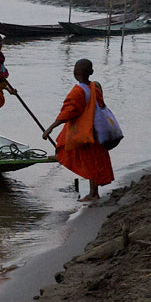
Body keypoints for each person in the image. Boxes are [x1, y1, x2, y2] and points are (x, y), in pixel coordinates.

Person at [43, 58, 115, 201]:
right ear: (91, 72)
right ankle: (93, 192)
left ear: (75, 74)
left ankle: (93, 194)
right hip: (98, 130)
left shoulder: (78, 91)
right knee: (94, 159)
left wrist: (50, 128)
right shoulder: (95, 88)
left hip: (86, 132)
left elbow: (68, 112)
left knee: (89, 161)